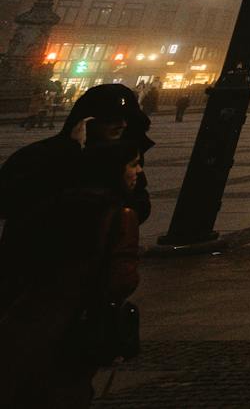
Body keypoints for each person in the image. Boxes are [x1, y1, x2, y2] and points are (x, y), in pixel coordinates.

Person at [0, 137, 144, 405]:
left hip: (26, 313)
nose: (139, 171)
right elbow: (121, 281)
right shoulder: (120, 215)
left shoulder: (56, 203)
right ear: (114, 169)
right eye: (133, 164)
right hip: (77, 318)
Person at [1, 82, 153, 310]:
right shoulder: (43, 156)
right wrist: (71, 156)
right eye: (110, 119)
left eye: (125, 119)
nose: (121, 125)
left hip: (94, 281)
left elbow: (141, 205)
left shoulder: (125, 161)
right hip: (35, 274)